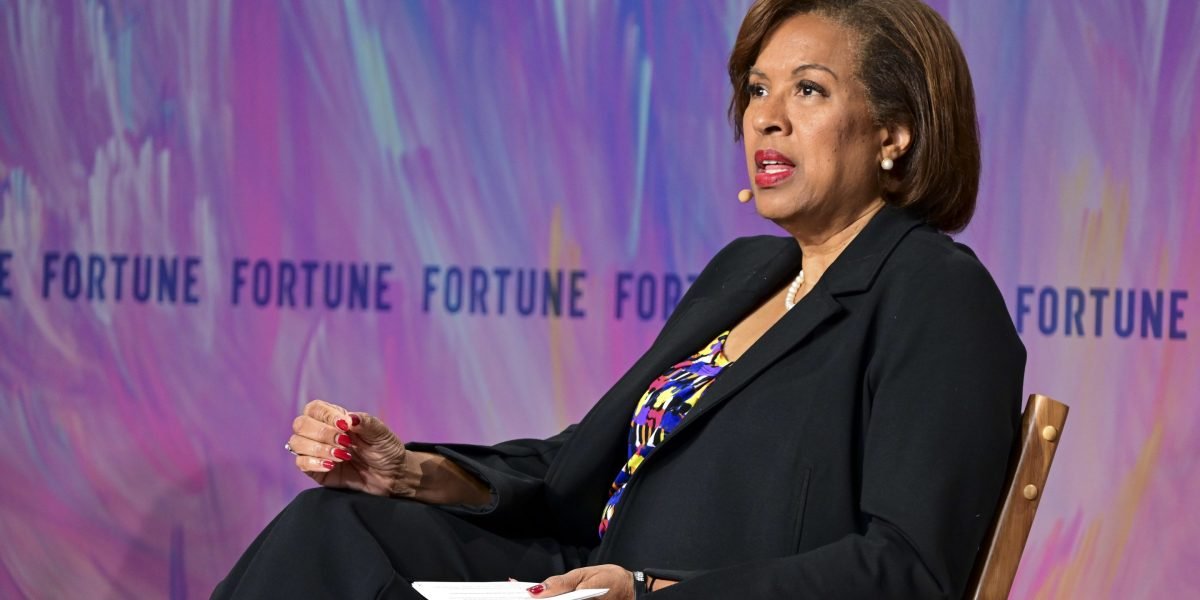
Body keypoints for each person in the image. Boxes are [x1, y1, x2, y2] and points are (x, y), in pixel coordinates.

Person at [213, 0, 1025, 598]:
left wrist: (650, 589)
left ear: (894, 133)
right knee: (336, 530)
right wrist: (417, 473)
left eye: (808, 91)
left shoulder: (935, 293)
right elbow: (582, 467)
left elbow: (908, 572)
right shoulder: (748, 272)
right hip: (583, 576)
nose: (765, 119)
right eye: (756, 90)